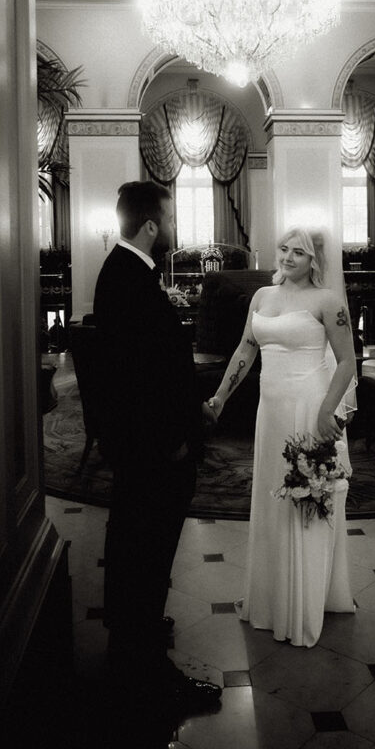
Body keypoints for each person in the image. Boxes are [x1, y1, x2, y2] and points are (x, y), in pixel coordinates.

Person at [93, 181, 221, 716]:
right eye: (169, 218)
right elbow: (145, 381)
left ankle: (133, 642)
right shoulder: (132, 283)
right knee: (147, 555)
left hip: (137, 449)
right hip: (153, 454)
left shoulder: (122, 274)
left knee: (132, 552)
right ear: (150, 225)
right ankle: (147, 678)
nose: (173, 228)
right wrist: (176, 442)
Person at [205, 227, 357, 647]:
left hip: (308, 409)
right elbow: (244, 350)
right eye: (284, 249)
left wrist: (327, 410)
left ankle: (304, 603)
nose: (288, 258)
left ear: (314, 260)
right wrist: (219, 397)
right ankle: (272, 597)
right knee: (273, 495)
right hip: (269, 412)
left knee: (305, 499)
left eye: (299, 253)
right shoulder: (262, 298)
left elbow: (346, 362)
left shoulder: (327, 302)